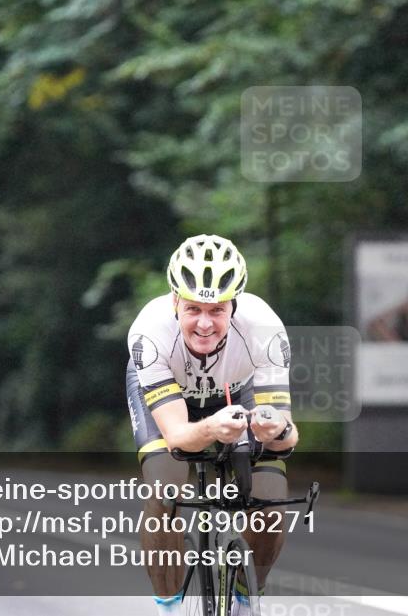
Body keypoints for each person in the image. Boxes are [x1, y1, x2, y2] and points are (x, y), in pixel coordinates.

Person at [126, 234, 298, 616]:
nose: (205, 324)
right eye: (193, 310)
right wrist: (212, 429)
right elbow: (179, 438)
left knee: (271, 503)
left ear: (234, 306)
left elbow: (287, 436)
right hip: (172, 398)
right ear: (174, 302)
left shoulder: (264, 330)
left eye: (217, 310)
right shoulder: (150, 334)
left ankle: (244, 596)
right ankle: (169, 606)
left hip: (239, 390)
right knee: (165, 492)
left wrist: (277, 431)